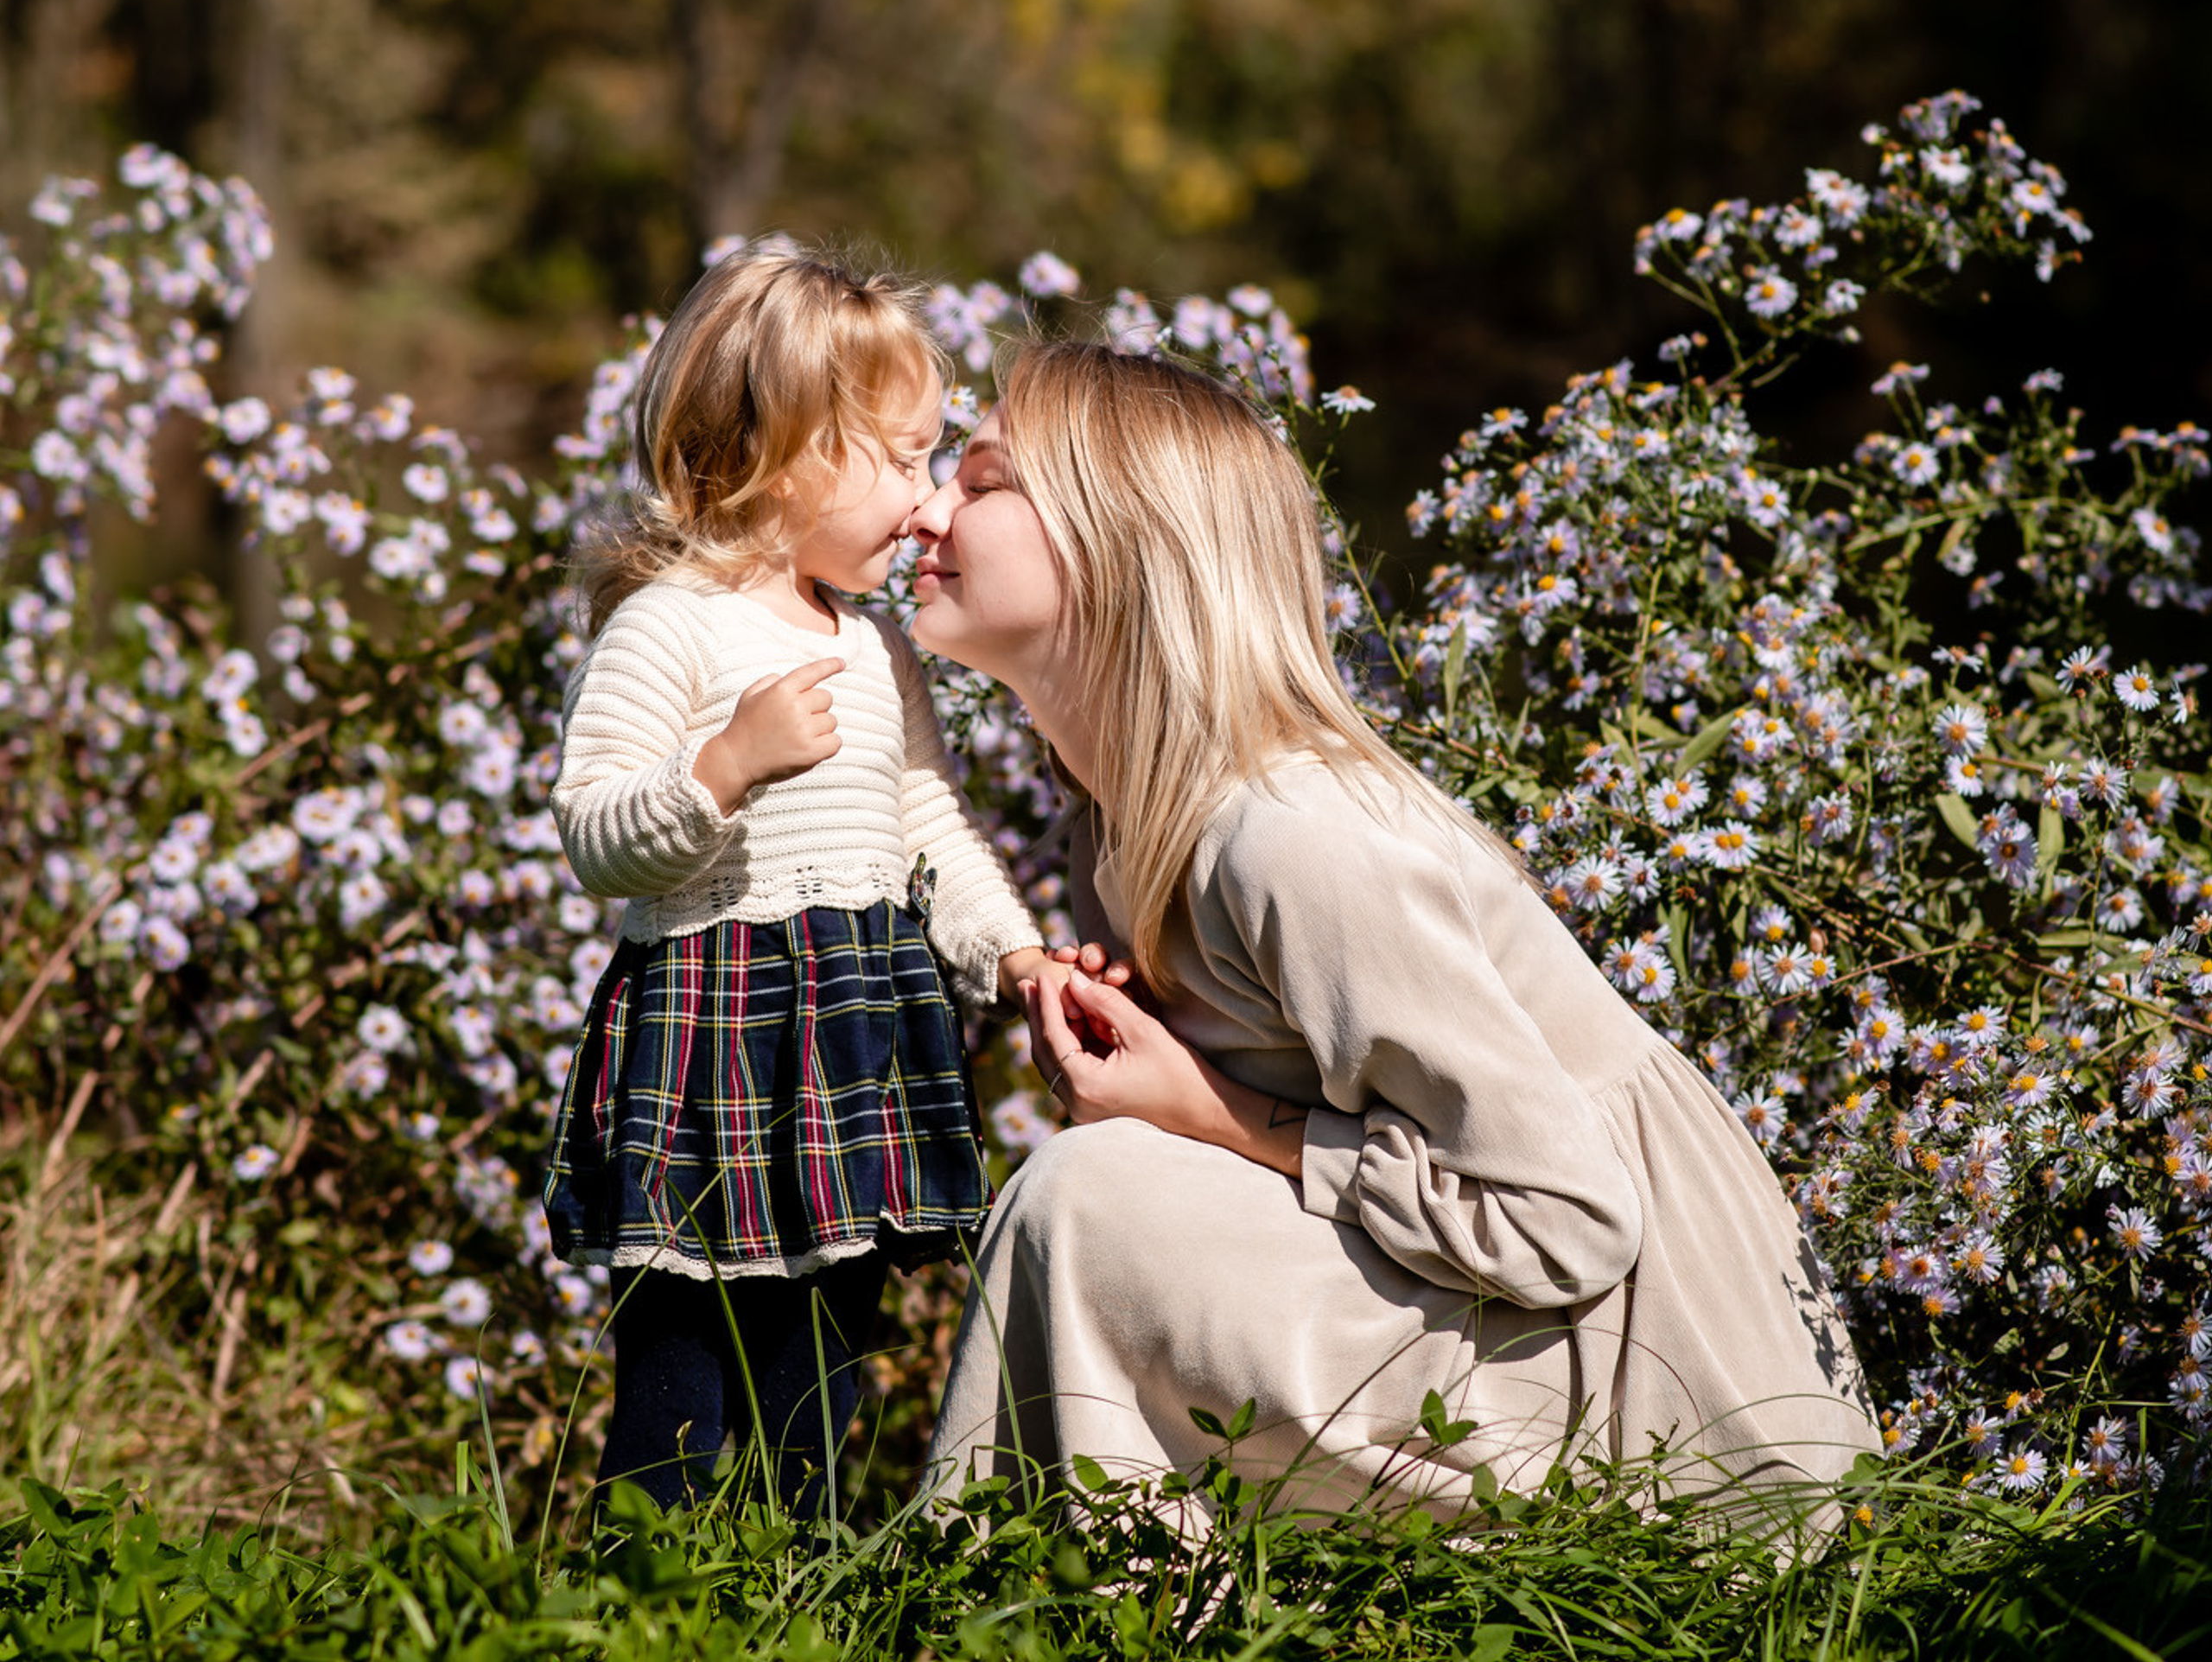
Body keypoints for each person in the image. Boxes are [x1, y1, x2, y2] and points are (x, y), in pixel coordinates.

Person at [907, 340, 1881, 1528]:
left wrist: (1207, 1111)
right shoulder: (1116, 832)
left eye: (982, 480)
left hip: (1658, 1395)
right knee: (1106, 1193)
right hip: (1508, 1321)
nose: (927, 509)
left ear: (1124, 542)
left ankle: (1005, 1596)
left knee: (1085, 1203)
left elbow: (1568, 1225)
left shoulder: (1288, 835)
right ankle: (1092, 1595)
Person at [542, 249, 1056, 1515]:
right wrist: (722, 768)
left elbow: (926, 824)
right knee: (677, 1369)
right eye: (902, 460)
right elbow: (595, 832)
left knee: (820, 1369)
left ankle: (800, 1577)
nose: (926, 501)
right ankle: (642, 1581)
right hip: (712, 1031)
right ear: (787, 453)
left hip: (850, 1038)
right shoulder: (668, 623)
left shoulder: (874, 649)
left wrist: (1015, 957)